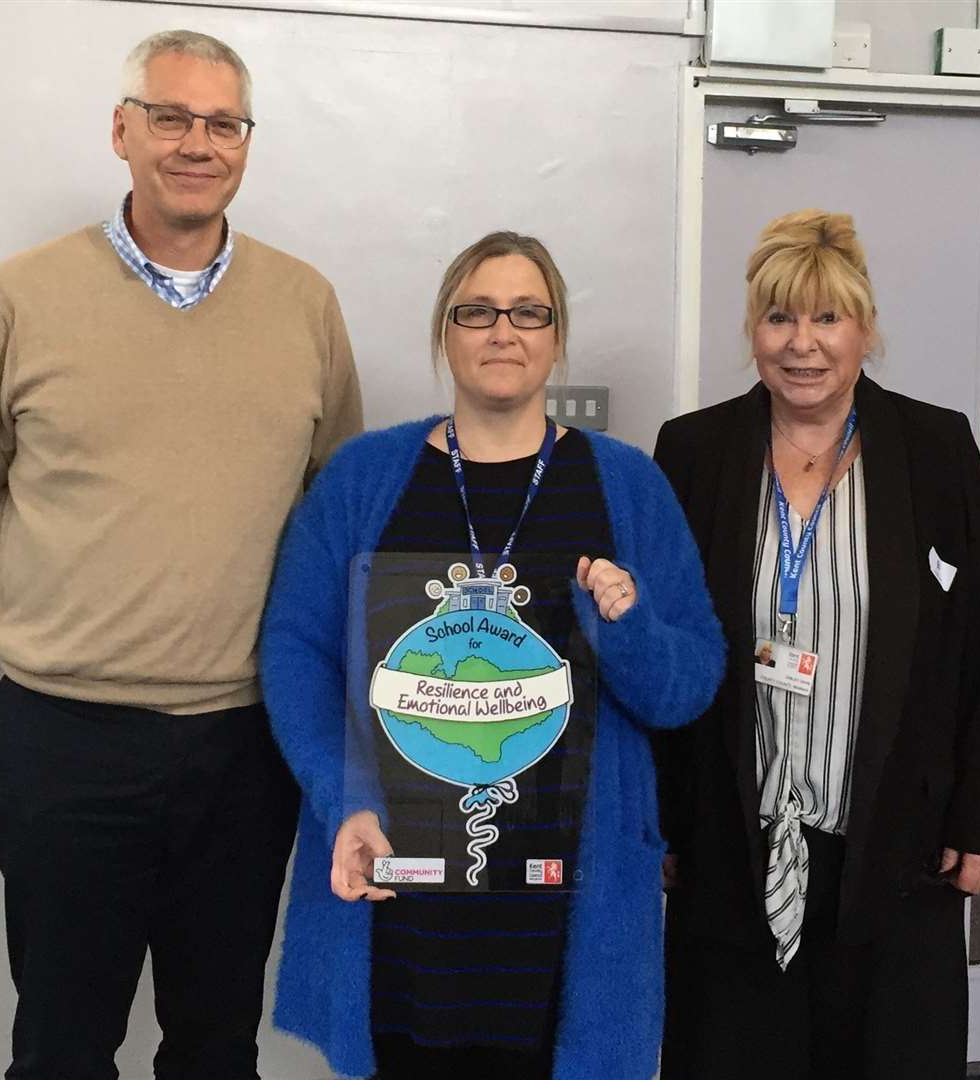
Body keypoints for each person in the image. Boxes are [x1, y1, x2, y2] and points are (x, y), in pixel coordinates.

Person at [0, 30, 361, 1079]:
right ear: (123, 131)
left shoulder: (304, 305)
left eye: (222, 123)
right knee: (63, 1047)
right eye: (171, 116)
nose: (196, 142)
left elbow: (328, 508)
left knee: (214, 1048)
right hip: (67, 744)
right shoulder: (21, 297)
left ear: (246, 145)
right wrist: (65, 604)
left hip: (245, 749)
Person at [259, 231, 723, 1079]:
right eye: (477, 311)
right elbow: (294, 651)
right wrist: (340, 795)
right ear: (446, 331)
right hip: (402, 904)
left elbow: (687, 684)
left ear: (556, 337)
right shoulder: (365, 478)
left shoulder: (626, 485)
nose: (501, 331)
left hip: (562, 915)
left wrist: (627, 626)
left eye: (527, 313)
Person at [654, 209, 980, 1078]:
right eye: (780, 318)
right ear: (754, 331)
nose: (802, 344)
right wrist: (660, 823)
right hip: (731, 846)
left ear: (864, 327)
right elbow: (665, 650)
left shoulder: (932, 451)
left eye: (827, 318)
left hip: (899, 845)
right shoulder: (693, 452)